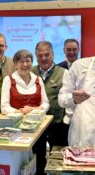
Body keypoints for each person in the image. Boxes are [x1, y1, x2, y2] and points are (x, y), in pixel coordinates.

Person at [32, 41, 68, 174]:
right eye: (40, 55)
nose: (43, 58)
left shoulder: (64, 73)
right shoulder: (30, 72)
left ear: (53, 55)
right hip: (36, 126)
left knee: (58, 160)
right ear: (36, 57)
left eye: (47, 55)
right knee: (38, 159)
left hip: (57, 125)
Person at [0, 49, 49, 114]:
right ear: (15, 64)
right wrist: (20, 112)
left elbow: (46, 103)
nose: (25, 64)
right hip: (15, 121)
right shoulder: (8, 80)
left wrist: (34, 109)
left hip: (37, 120)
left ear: (32, 63)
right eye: (21, 61)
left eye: (28, 61)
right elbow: (4, 107)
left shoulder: (38, 79)